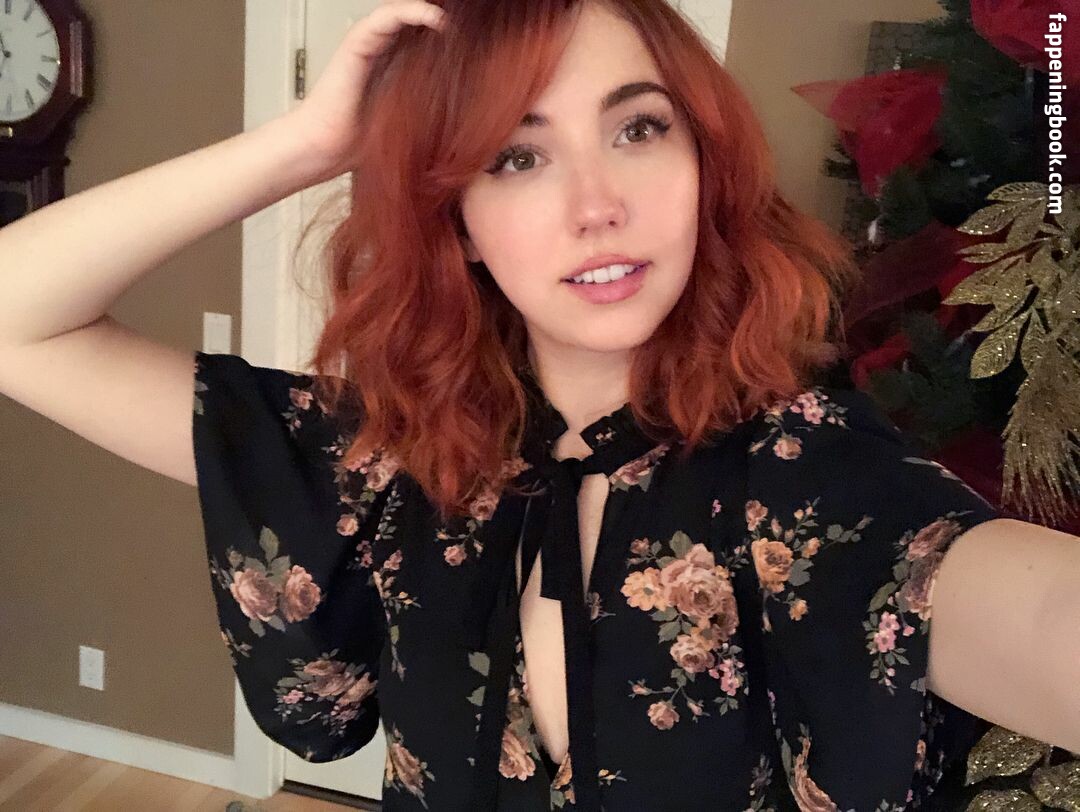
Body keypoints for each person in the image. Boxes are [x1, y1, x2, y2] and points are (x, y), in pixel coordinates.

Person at [1, 1, 1075, 810]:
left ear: (704, 162)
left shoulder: (819, 478)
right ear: (456, 218)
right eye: (515, 156)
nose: (597, 204)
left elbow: (1039, 619)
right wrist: (311, 144)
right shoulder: (387, 458)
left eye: (639, 129)